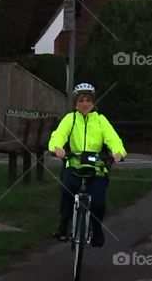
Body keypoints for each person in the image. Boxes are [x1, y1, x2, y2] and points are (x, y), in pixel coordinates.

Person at [48, 82, 126, 247]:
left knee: (98, 202)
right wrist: (57, 148)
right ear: (75, 103)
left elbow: (113, 138)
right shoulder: (71, 118)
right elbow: (59, 134)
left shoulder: (100, 120)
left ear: (93, 103)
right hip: (74, 163)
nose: (84, 104)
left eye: (88, 101)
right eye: (81, 101)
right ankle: (63, 222)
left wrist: (117, 152)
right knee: (68, 186)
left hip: (95, 165)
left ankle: (97, 229)